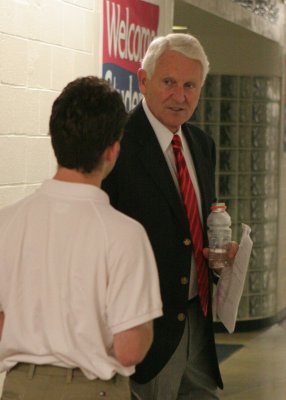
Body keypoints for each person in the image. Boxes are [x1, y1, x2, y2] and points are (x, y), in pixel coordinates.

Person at [0, 76, 163, 400]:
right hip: (92, 390)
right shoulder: (125, 234)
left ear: (54, 139)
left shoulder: (7, 221)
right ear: (113, 150)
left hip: (18, 389)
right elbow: (129, 349)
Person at [102, 33, 238, 400]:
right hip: (145, 336)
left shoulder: (201, 145)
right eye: (169, 82)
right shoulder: (116, 146)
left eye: (190, 85)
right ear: (143, 81)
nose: (180, 96)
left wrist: (216, 256)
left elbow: (193, 224)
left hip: (198, 324)